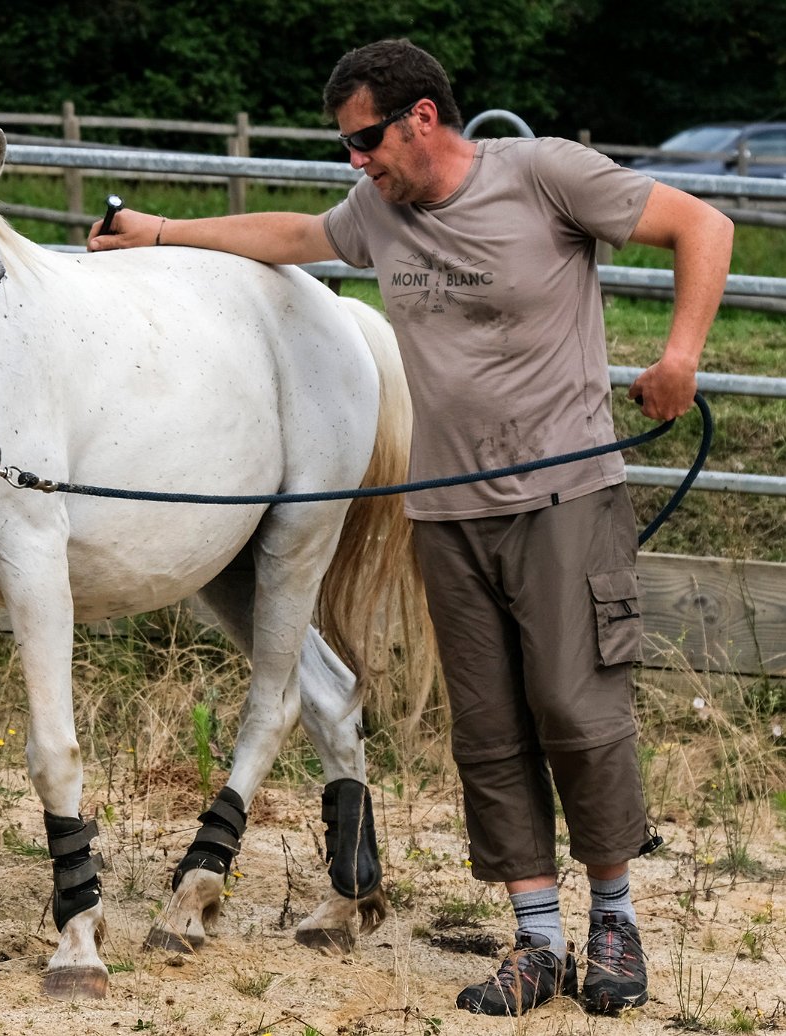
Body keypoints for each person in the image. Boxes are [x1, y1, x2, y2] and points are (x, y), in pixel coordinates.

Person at [88, 38, 733, 1017]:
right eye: (346, 147)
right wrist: (161, 232)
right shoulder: (378, 211)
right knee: (489, 731)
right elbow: (294, 235)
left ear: (421, 117)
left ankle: (614, 920)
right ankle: (537, 940)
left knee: (576, 709)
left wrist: (681, 355)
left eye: (365, 140)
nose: (357, 162)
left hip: (563, 498)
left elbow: (702, 224)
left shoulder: (545, 175)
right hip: (447, 511)